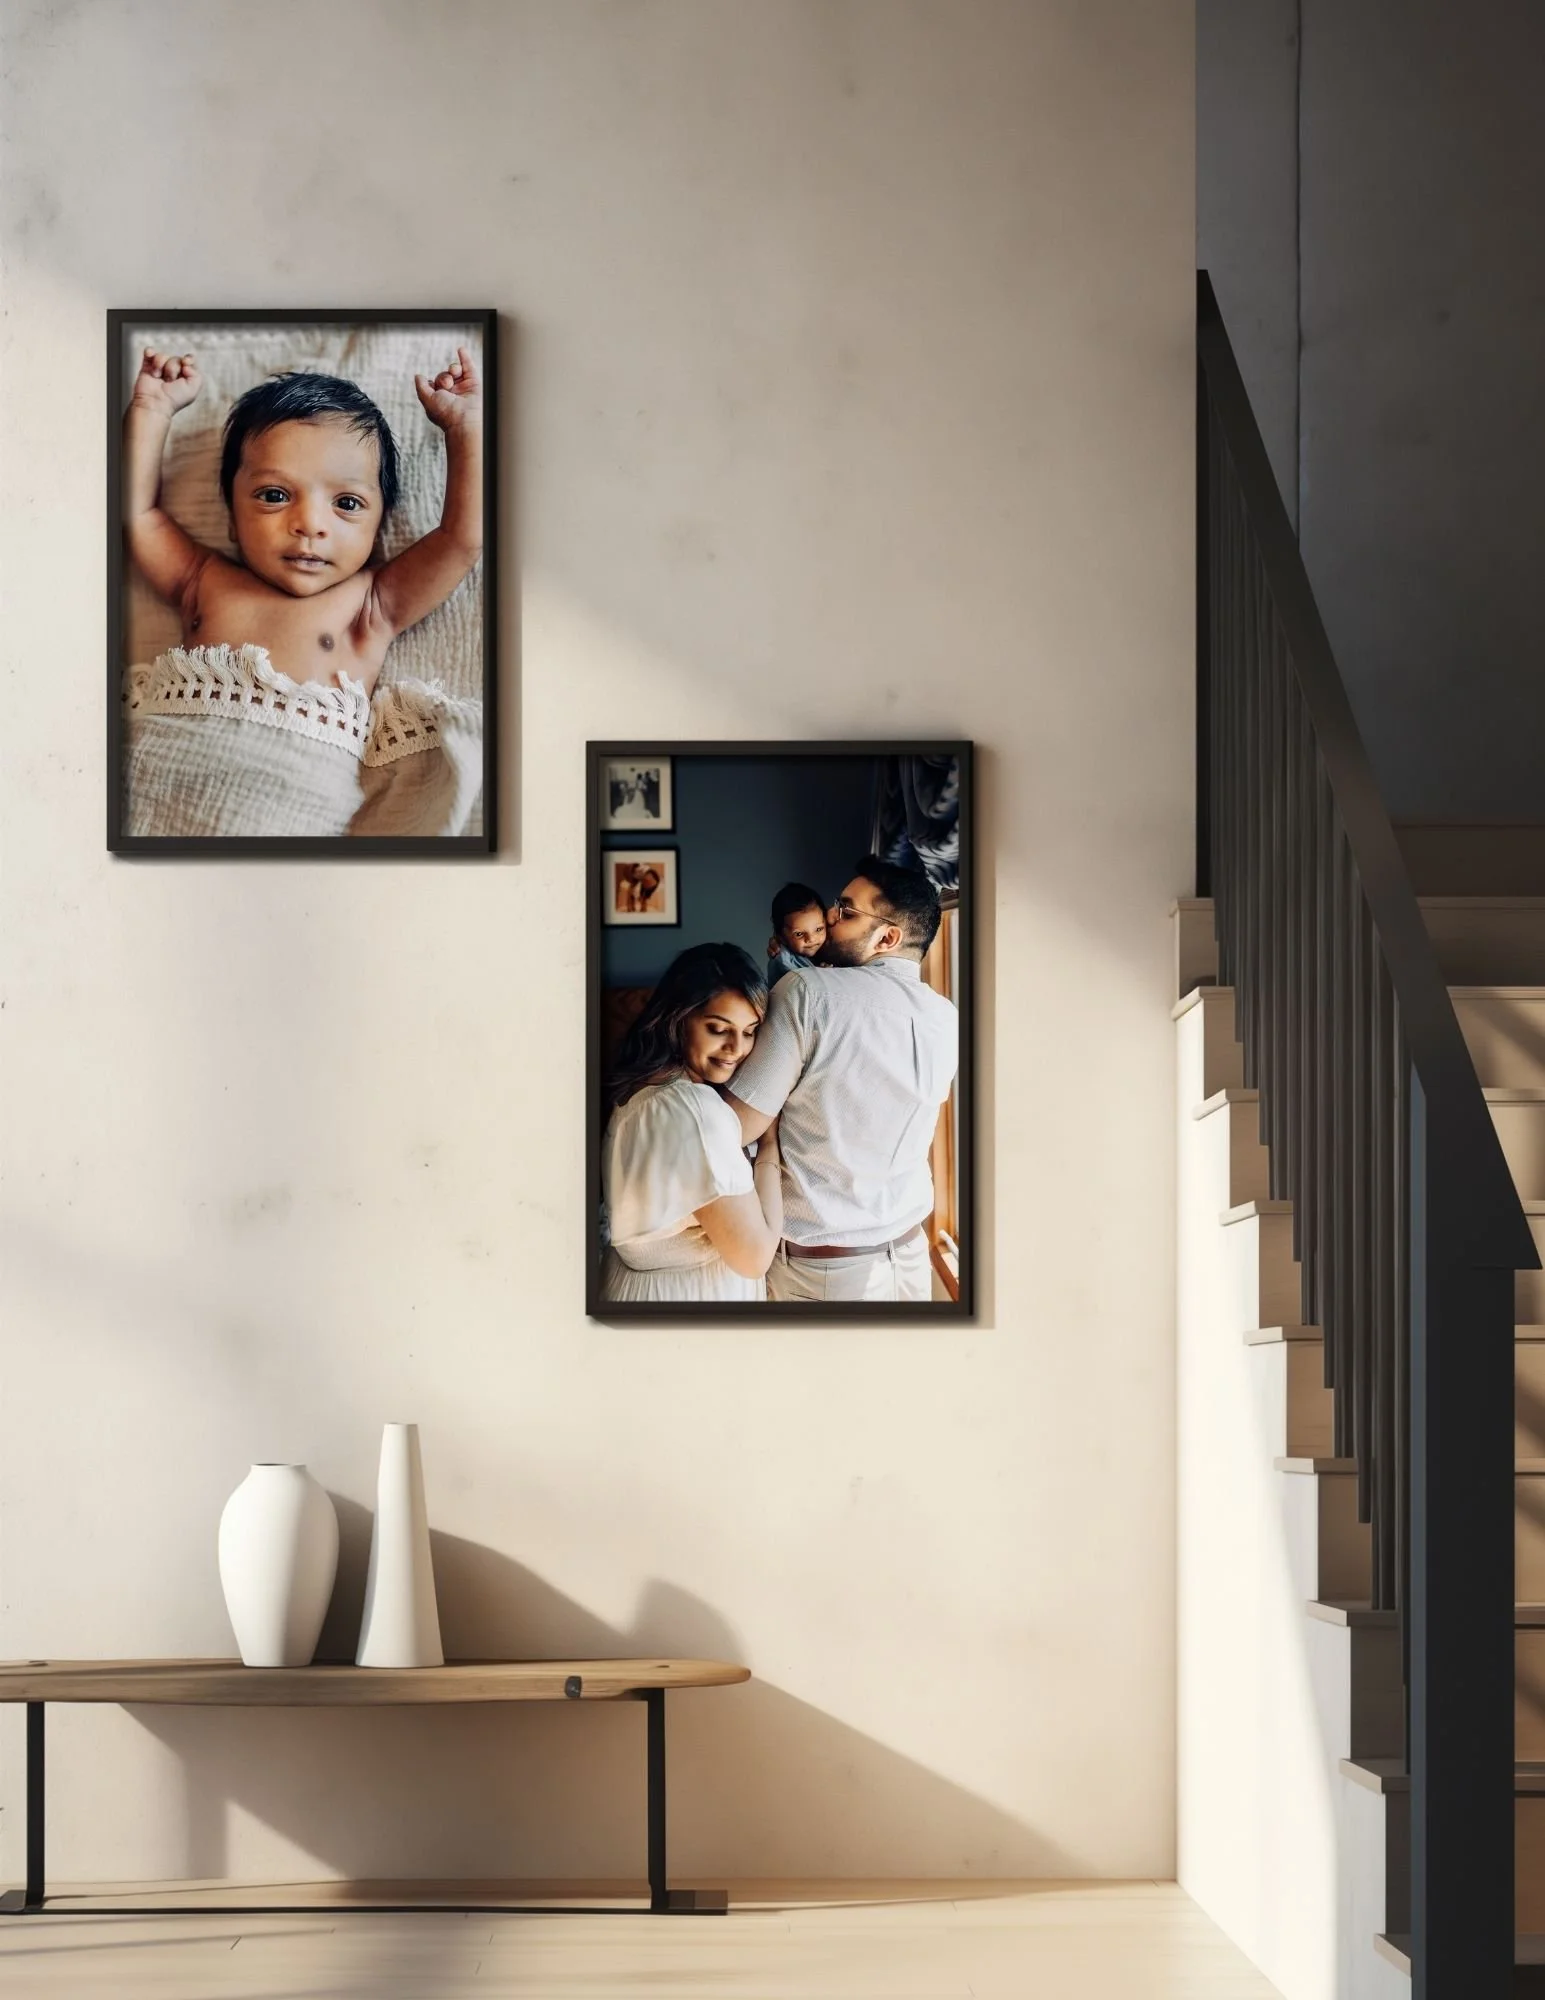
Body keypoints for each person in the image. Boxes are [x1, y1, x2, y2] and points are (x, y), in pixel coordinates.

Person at [123, 346, 483, 700]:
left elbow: (461, 539)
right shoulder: (200, 580)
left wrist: (465, 427)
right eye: (274, 496)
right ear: (232, 516)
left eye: (346, 503)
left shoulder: (372, 605)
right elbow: (138, 514)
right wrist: (150, 409)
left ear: (378, 528)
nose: (309, 525)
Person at [728, 857, 958, 1303]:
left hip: (824, 1276)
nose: (829, 917)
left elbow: (738, 1126)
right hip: (911, 1259)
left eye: (847, 912)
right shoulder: (945, 1017)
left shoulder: (808, 993)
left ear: (887, 938)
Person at [601, 944, 784, 1303]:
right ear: (679, 1018)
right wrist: (769, 1145)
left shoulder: (646, 1087)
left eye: (750, 1031)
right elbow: (756, 1257)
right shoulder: (693, 1112)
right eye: (718, 1028)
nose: (736, 1048)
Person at [765, 881, 827, 988]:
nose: (811, 939)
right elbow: (806, 985)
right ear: (781, 937)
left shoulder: (827, 947)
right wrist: (826, 974)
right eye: (799, 934)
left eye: (818, 929)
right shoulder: (782, 959)